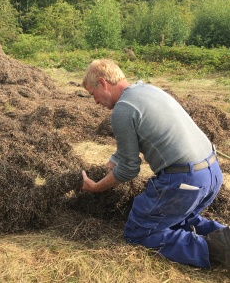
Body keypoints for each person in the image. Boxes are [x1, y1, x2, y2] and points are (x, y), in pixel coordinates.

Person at [81, 58, 229, 270]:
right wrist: (112, 161)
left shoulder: (122, 110)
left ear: (103, 83)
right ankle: (224, 236)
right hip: (212, 173)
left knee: (140, 232)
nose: (94, 101)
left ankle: (217, 252)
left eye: (92, 93)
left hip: (184, 180)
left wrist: (96, 187)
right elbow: (136, 136)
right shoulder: (145, 90)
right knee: (175, 219)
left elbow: (129, 170)